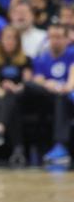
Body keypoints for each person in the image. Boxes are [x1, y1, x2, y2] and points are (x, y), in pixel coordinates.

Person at [25, 20, 74, 167]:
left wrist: (64, 87)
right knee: (29, 85)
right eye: (52, 37)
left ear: (67, 39)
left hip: (67, 95)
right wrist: (48, 84)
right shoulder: (42, 57)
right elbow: (38, 79)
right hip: (48, 96)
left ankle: (61, 147)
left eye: (59, 37)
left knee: (62, 97)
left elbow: (71, 81)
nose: (55, 41)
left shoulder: (71, 54)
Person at [0, 25, 32, 166]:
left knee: (12, 99)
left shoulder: (26, 60)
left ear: (18, 42)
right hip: (0, 100)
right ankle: (18, 150)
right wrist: (5, 92)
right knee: (10, 103)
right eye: (7, 38)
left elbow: (27, 83)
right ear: (1, 40)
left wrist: (15, 88)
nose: (10, 41)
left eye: (13, 39)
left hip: (22, 98)